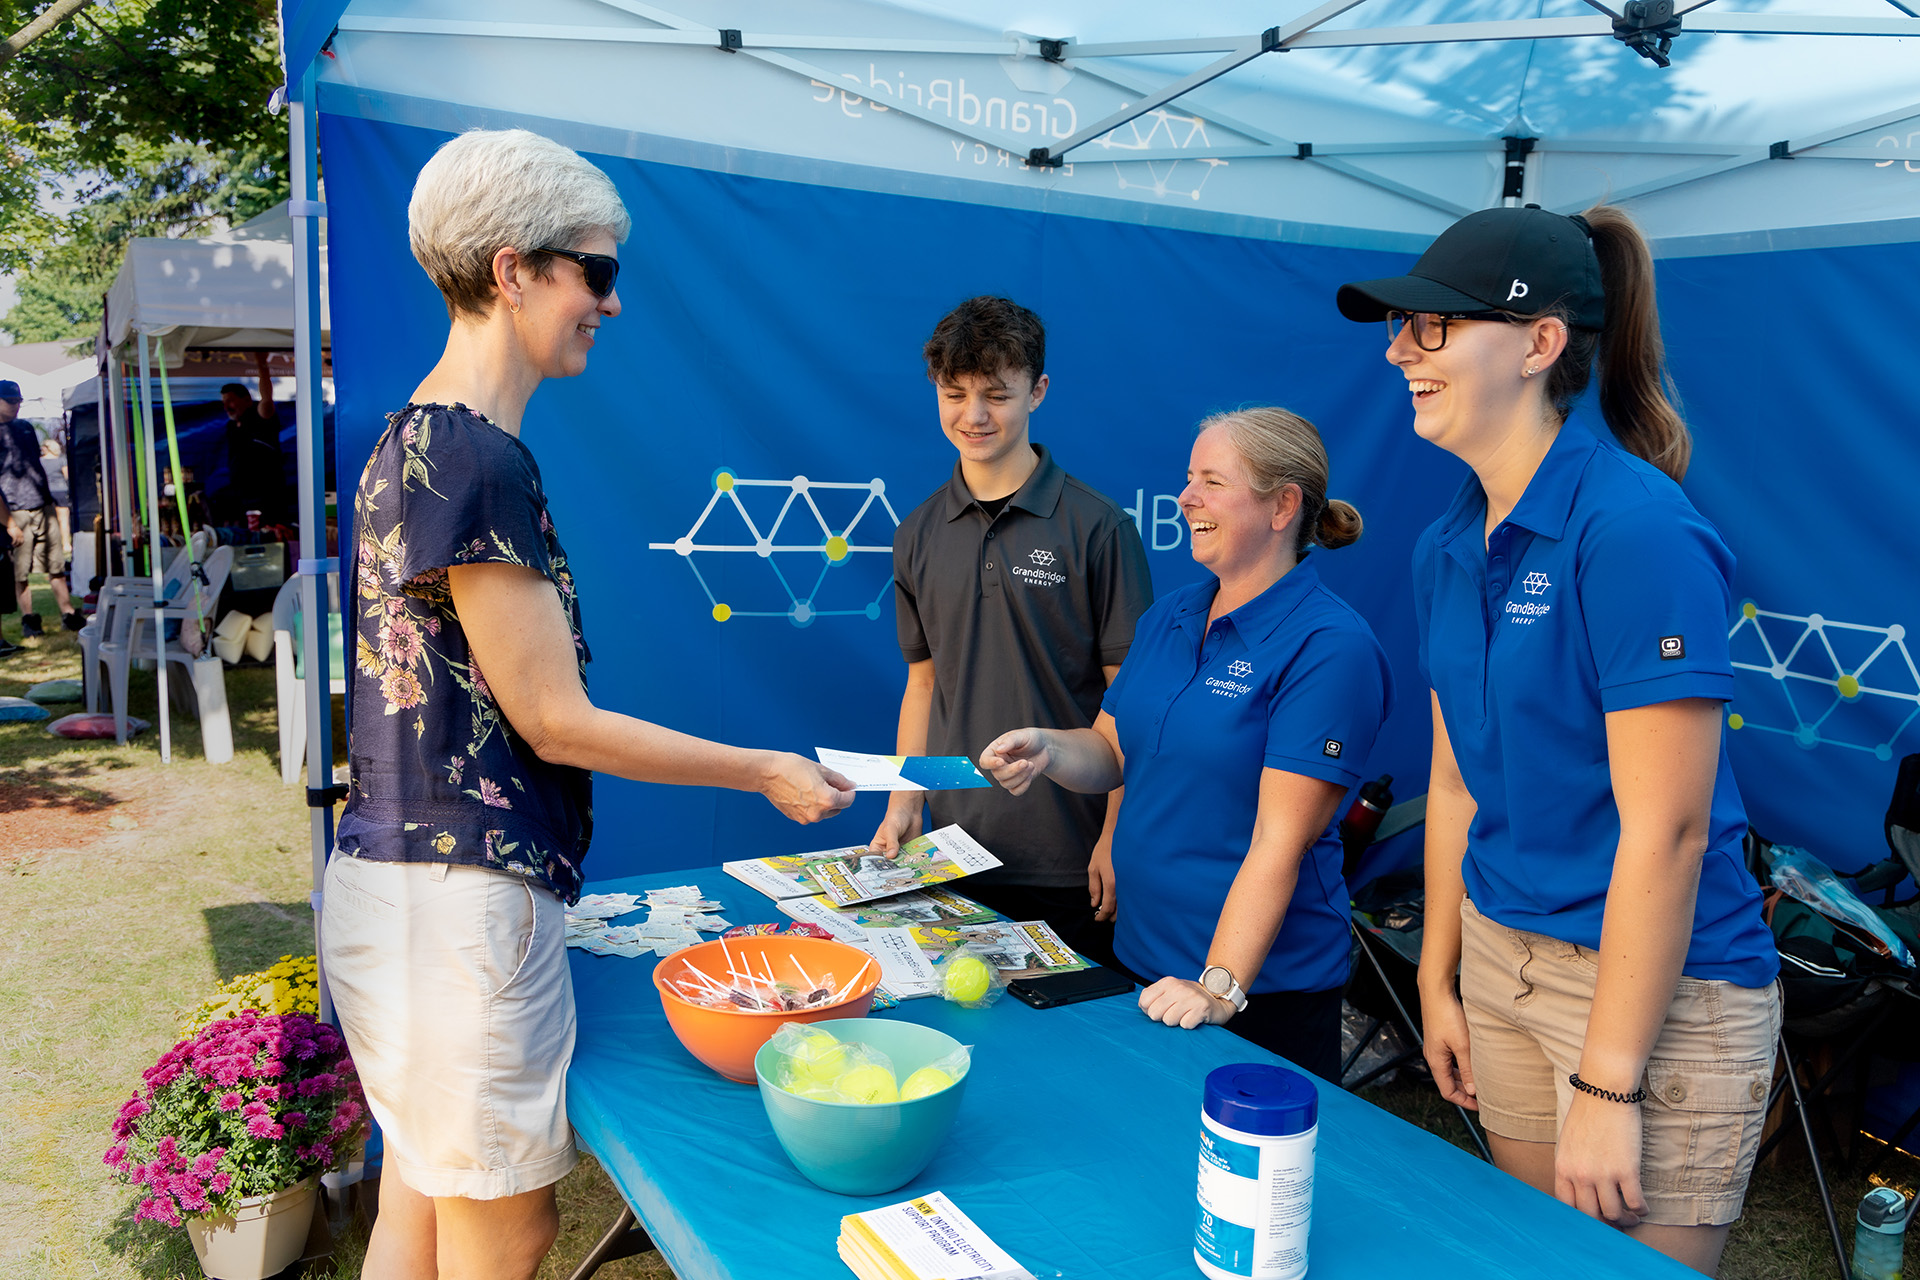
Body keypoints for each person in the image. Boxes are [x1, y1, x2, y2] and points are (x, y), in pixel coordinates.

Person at [320, 128, 856, 1280]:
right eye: (596, 271)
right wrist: (761, 765)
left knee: (417, 1199)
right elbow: (552, 717)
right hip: (456, 906)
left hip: (395, 886)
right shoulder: (476, 457)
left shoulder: (412, 440)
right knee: (503, 1233)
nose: (611, 303)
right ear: (514, 268)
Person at [1335, 203, 1780, 1276]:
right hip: (1499, 956)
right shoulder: (1448, 541)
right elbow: (1452, 783)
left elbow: (1668, 834)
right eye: (1401, 326)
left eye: (1433, 326)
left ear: (1540, 345)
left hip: (1657, 995)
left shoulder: (1636, 530)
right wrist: (1438, 975)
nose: (1400, 347)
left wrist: (1609, 1078)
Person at [978, 407, 1392, 1080]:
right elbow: (1111, 753)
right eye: (1188, 478)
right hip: (1142, 962)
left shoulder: (1329, 647)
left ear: (1283, 504)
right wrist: (1049, 750)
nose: (1186, 497)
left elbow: (1278, 843)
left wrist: (1220, 985)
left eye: (1211, 481)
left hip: (1260, 996)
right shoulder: (1173, 614)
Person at [870, 296, 1154, 968]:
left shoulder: (1097, 527)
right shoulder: (916, 533)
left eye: (996, 394)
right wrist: (905, 803)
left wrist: (1116, 834)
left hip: (1072, 858)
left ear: (1038, 392)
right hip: (954, 850)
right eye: (954, 393)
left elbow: (1132, 704)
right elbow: (924, 683)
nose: (973, 415)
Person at [0, 381, 78, 635]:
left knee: (56, 564)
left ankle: (68, 613)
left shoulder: (25, 427)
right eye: (11, 401)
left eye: (19, 400)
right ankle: (29, 620)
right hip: (15, 508)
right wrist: (8, 521)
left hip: (42, 502)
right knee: (20, 571)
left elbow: (36, 464)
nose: (17, 405)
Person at [218, 355, 289, 525]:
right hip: (242, 496)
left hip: (268, 496)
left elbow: (266, 399)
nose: (226, 406)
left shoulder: (260, 417)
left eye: (231, 401)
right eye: (224, 402)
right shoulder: (231, 427)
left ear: (246, 399)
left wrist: (262, 366)